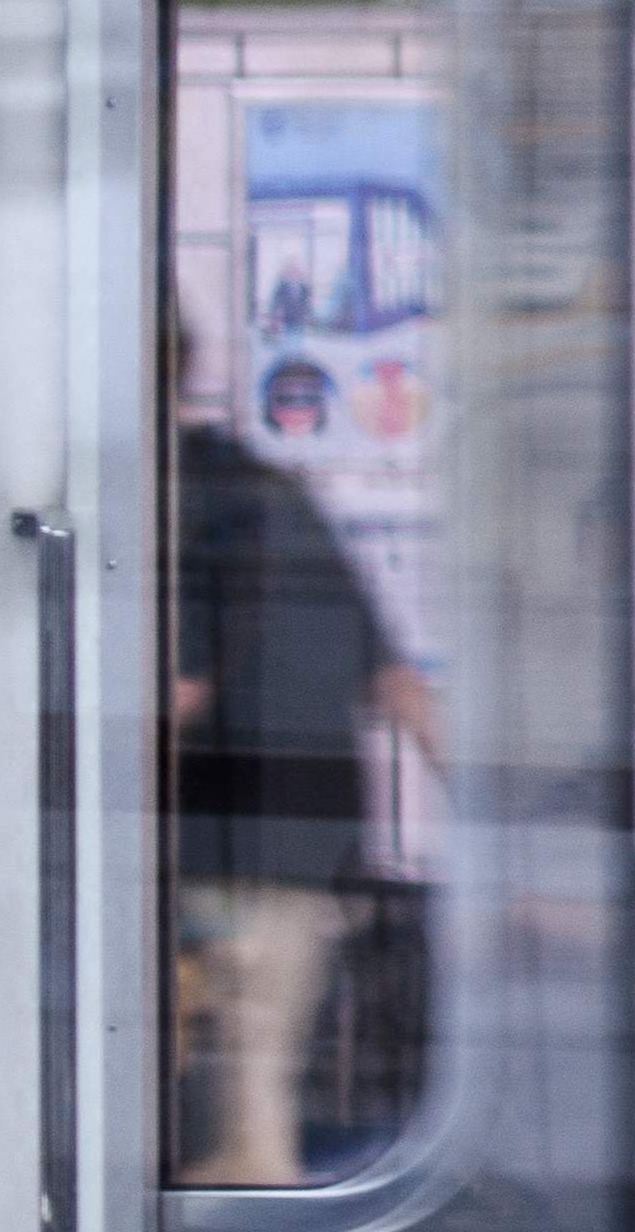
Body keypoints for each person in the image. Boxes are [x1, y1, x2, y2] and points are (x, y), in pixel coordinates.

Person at [169, 324, 440, 1187]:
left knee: (223, 1149)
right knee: (255, 1111)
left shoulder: (171, 498)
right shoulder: (275, 488)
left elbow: (170, 695)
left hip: (209, 857)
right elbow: (396, 681)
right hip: (304, 852)